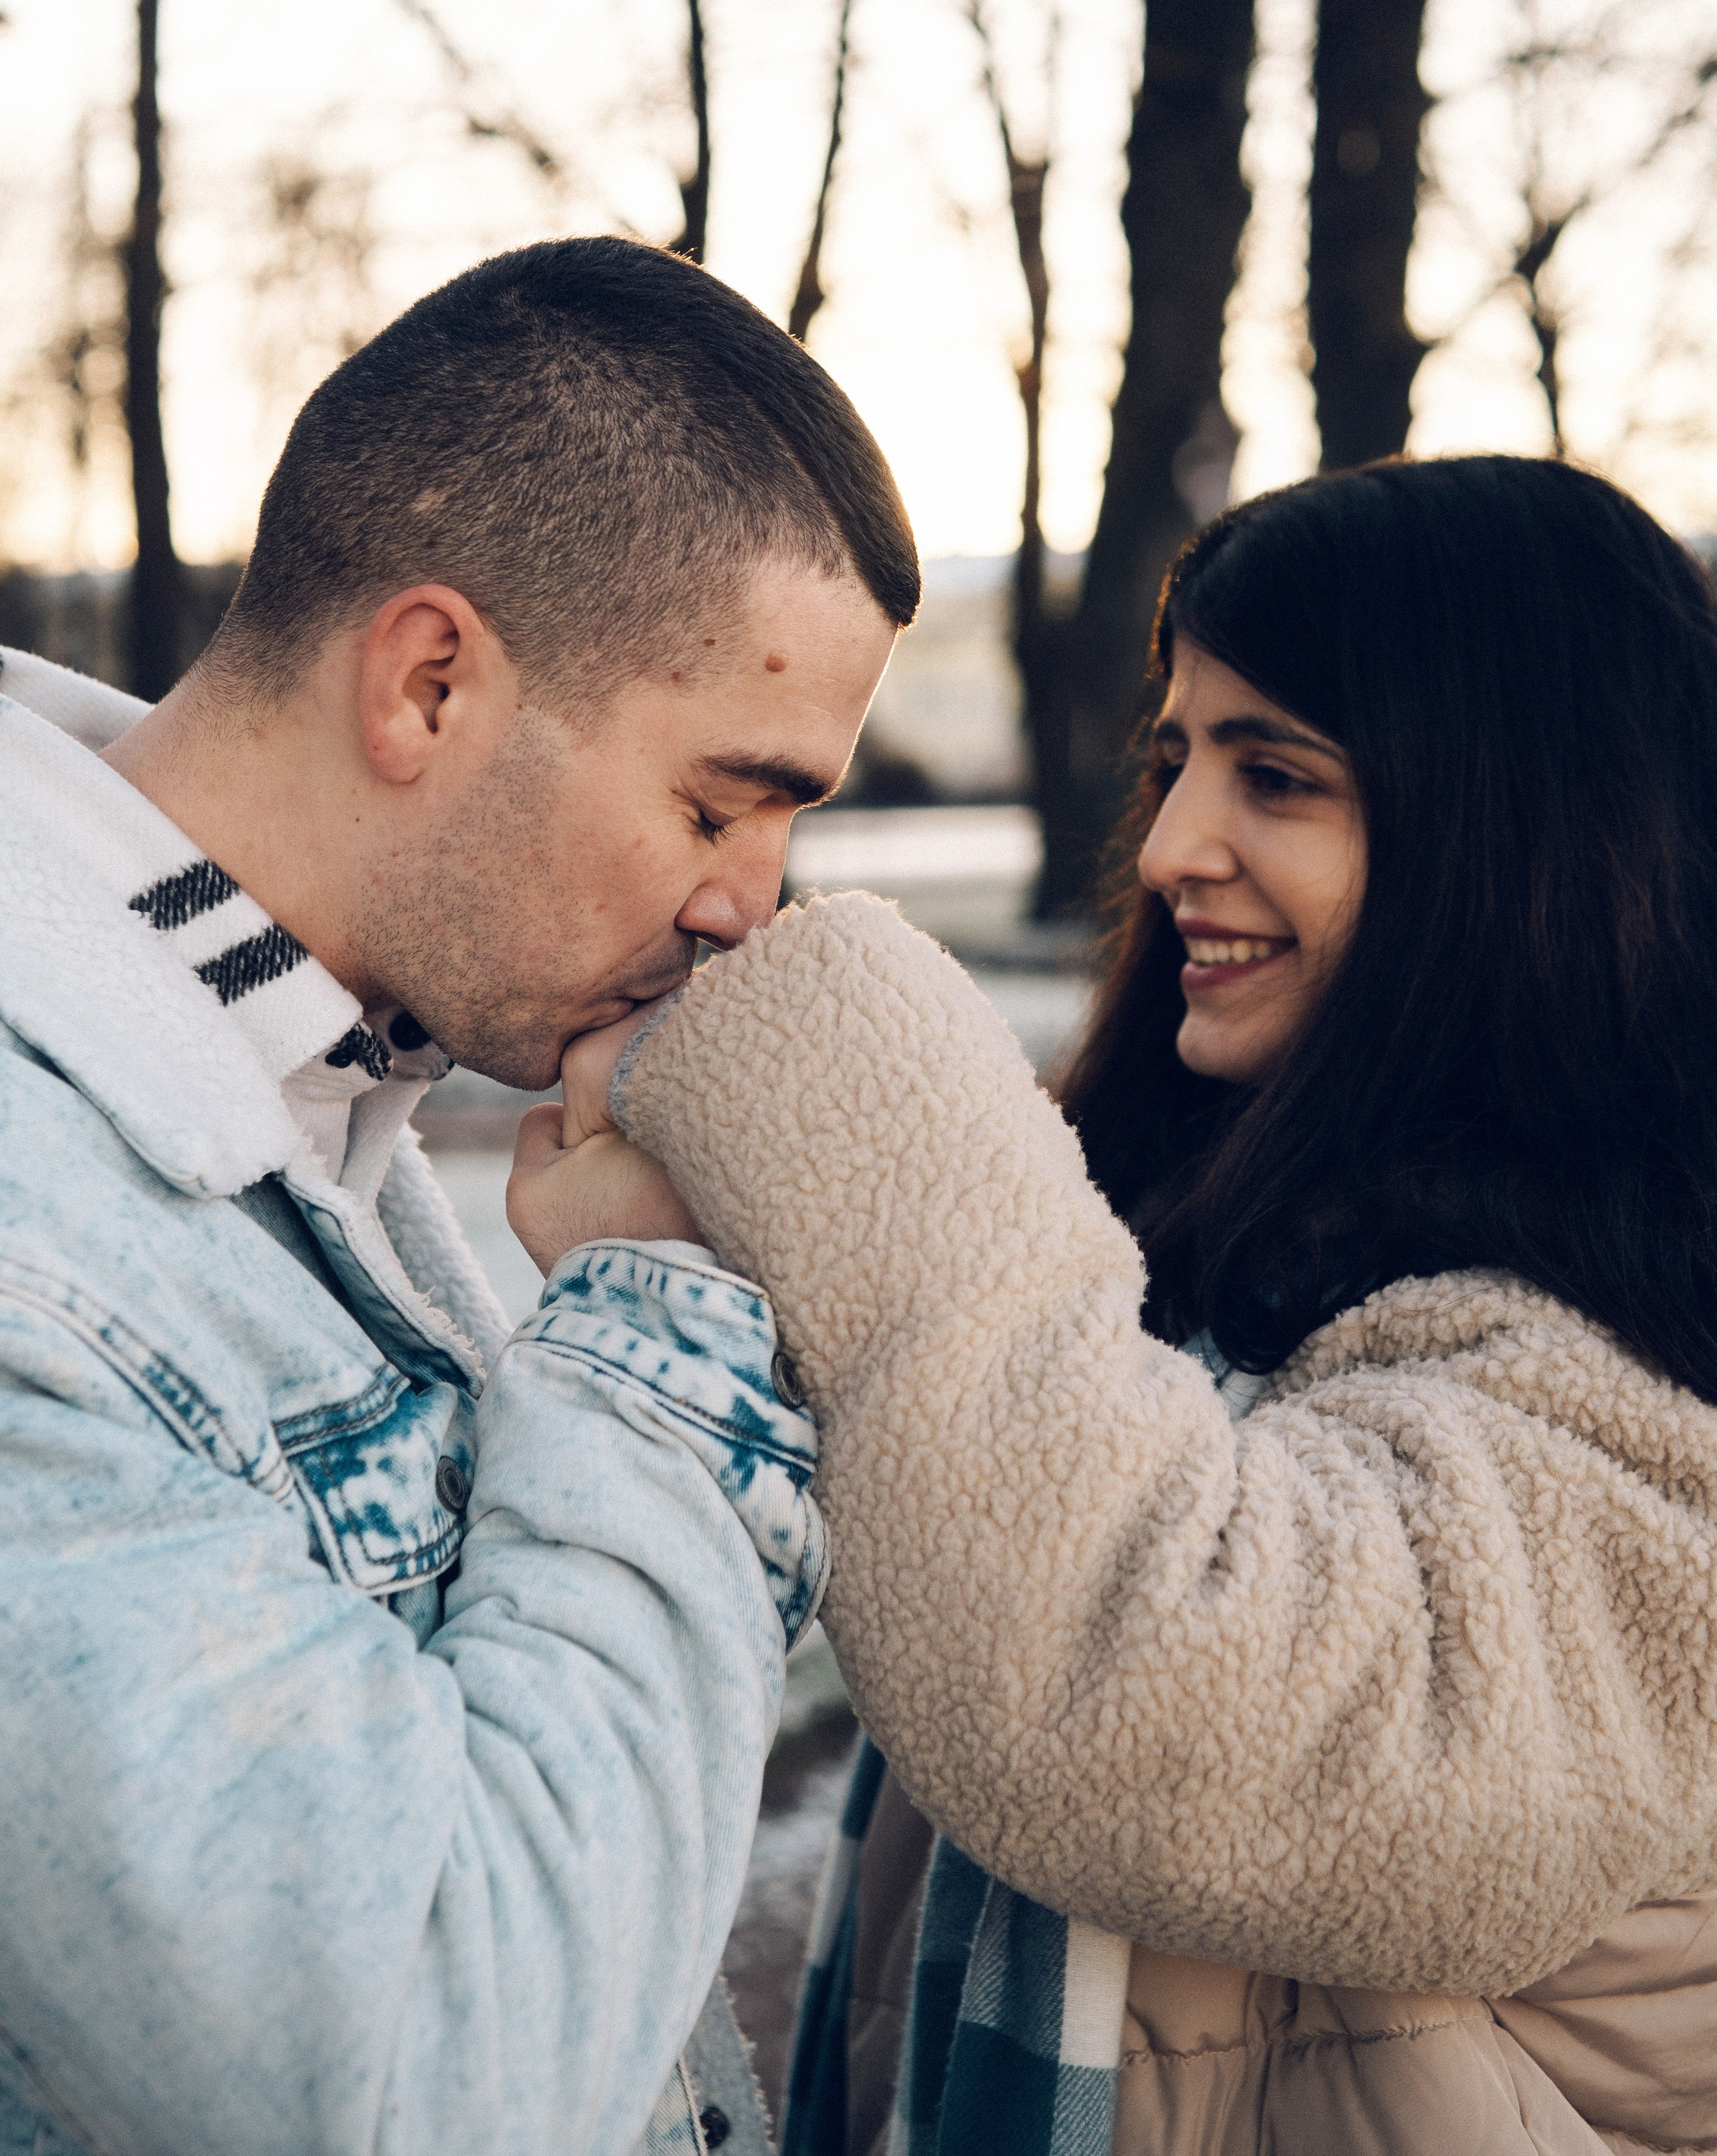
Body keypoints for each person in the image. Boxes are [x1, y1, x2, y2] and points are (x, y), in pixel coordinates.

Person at [532, 456, 1717, 2155]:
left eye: (1275, 777)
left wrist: (819, 1066)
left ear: (1515, 832)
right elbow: (1000, 1474)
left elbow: (1139, 1687)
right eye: (1171, 765)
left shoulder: (1641, 1389)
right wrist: (709, 1267)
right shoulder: (1245, 1274)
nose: (1168, 849)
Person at [0, 235, 918, 2156]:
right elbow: (434, 2074)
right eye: (715, 805)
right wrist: (655, 1333)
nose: (746, 907)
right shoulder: (36, 1234)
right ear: (428, 685)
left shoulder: (294, 1088)